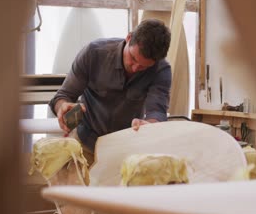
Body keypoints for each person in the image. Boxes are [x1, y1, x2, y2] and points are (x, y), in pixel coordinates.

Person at [49, 18, 172, 157]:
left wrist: (149, 126)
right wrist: (63, 107)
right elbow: (61, 97)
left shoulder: (161, 70)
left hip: (127, 148)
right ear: (129, 37)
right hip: (85, 144)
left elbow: (157, 113)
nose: (135, 68)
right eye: (133, 58)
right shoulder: (93, 53)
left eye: (144, 66)